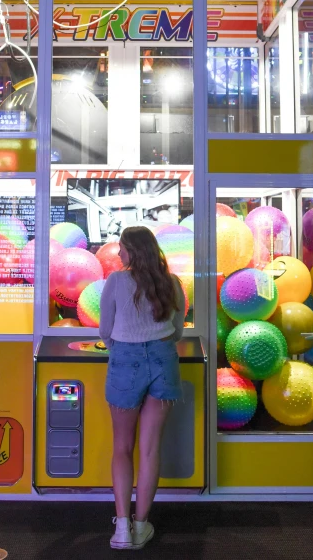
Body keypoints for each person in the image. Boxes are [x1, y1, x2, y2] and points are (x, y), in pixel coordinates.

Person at [99, 226, 185, 550]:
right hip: (164, 359)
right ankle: (141, 524)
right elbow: (177, 331)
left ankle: (122, 528)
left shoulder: (116, 281)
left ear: (133, 250)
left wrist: (124, 348)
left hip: (124, 359)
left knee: (122, 446)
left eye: (121, 248)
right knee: (150, 449)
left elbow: (105, 330)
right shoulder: (172, 283)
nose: (118, 253)